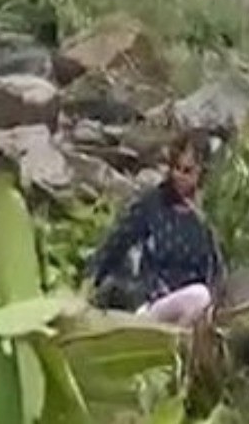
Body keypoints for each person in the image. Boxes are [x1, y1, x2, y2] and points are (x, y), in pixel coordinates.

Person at [86, 130, 223, 327]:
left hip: (193, 313)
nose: (179, 176)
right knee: (199, 296)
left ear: (201, 173)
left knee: (203, 298)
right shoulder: (152, 205)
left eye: (187, 171)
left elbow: (215, 272)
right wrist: (91, 281)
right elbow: (117, 242)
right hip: (153, 303)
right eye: (176, 168)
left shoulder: (204, 219)